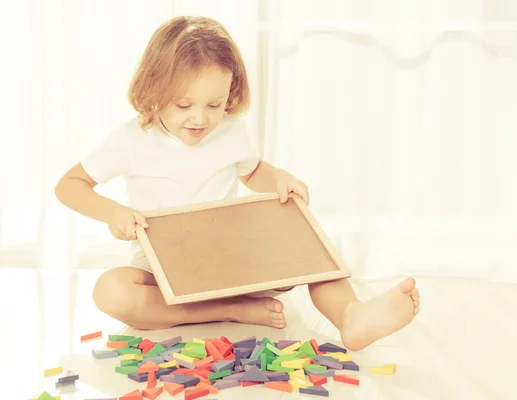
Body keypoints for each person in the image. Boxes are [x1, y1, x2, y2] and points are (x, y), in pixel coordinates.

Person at [55, 16, 420, 351]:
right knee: (111, 292)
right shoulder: (132, 139)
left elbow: (253, 170)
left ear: (231, 92)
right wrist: (112, 211)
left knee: (309, 244)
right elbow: (69, 184)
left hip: (232, 260)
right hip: (163, 267)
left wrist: (279, 179)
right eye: (183, 105)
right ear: (154, 90)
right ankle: (232, 309)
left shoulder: (231, 131)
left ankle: (350, 316)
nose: (201, 118)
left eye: (214, 104)